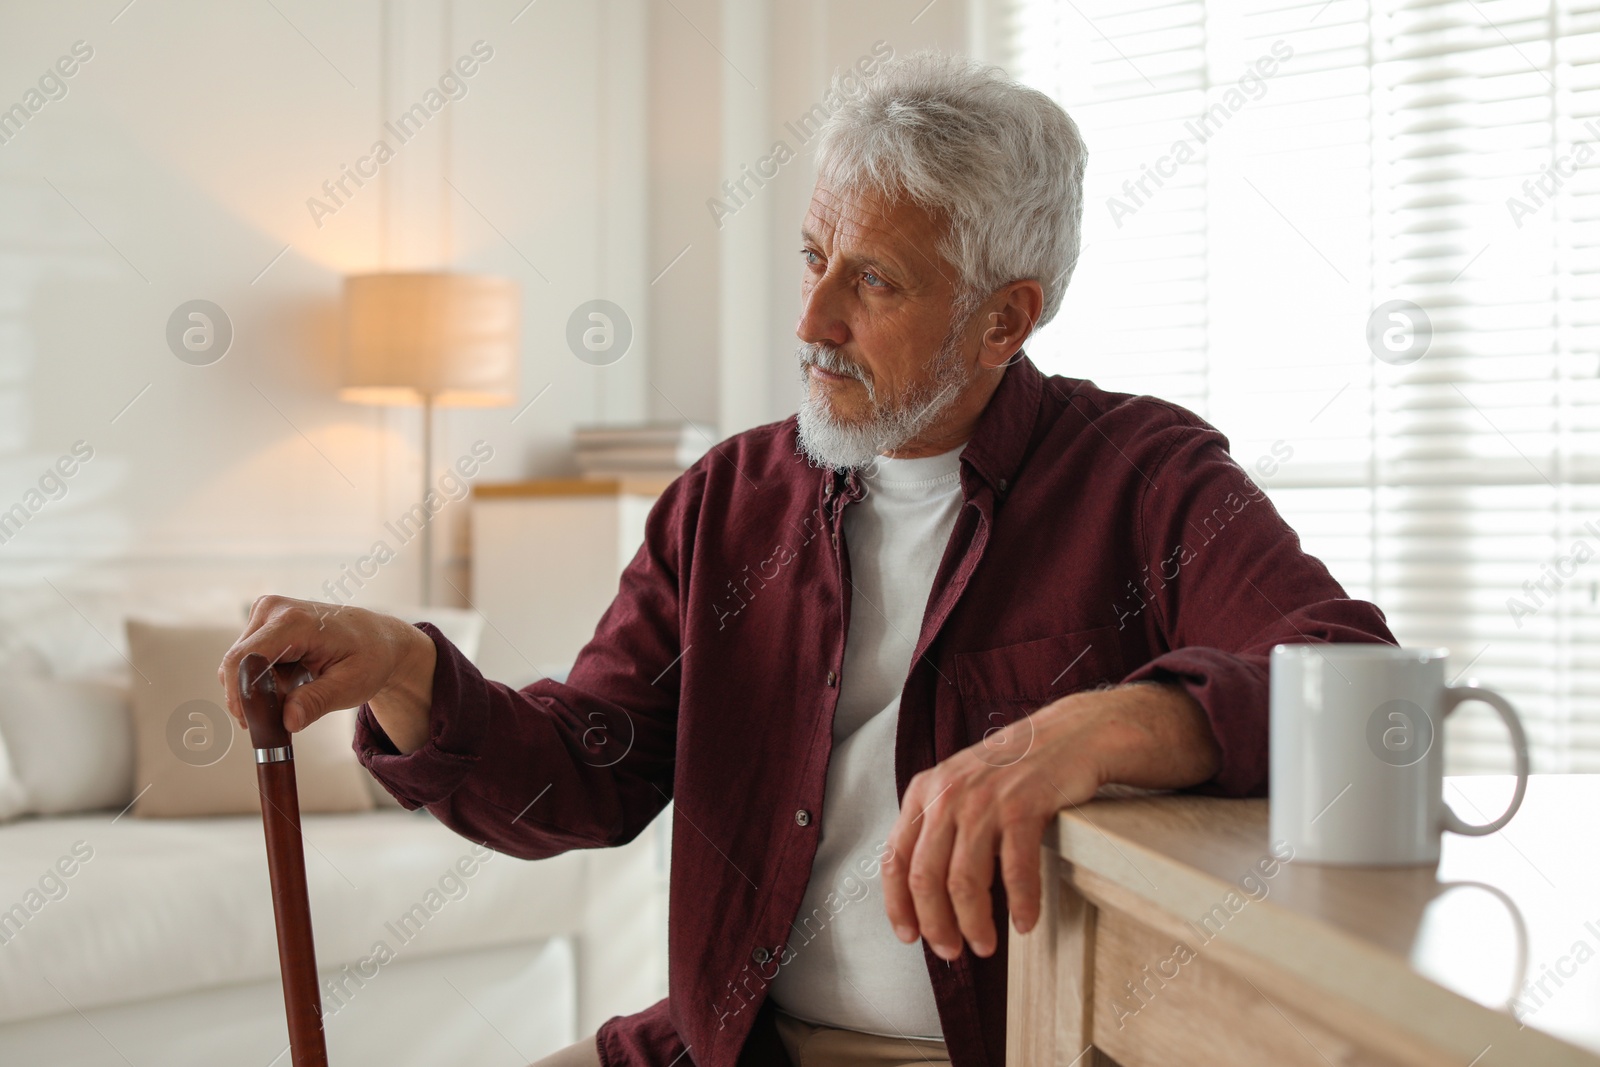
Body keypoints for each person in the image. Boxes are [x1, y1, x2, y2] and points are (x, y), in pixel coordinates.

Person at [221, 52, 1394, 1067]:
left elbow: (1355, 682)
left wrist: (1095, 730)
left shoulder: (1142, 476)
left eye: (872, 279)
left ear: (1004, 318)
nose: (811, 318)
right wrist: (401, 665)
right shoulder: (728, 502)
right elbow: (586, 776)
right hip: (733, 1042)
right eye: (812, 256)